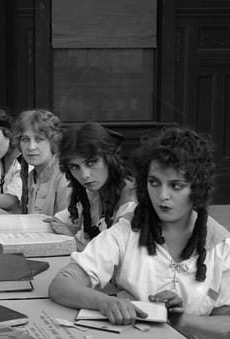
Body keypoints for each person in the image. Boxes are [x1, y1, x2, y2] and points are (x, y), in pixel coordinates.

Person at [49, 127, 230, 338]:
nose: (163, 196)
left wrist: (180, 320)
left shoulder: (221, 245)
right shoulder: (128, 230)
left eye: (176, 186)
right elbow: (61, 285)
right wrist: (106, 302)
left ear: (197, 187)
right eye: (154, 182)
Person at [47, 122, 136, 249]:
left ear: (109, 158)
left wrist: (73, 242)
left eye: (91, 163)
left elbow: (114, 262)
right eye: (74, 167)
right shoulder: (90, 194)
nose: (84, 175)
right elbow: (59, 220)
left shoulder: (132, 201)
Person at [12, 110, 70, 215]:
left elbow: (69, 225)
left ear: (53, 142)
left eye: (39, 139)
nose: (31, 147)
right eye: (25, 139)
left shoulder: (64, 176)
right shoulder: (31, 175)